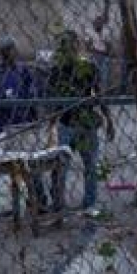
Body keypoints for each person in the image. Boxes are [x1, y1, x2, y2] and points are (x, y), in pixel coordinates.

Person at [47, 30, 115, 217]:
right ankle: (59, 204)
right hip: (67, 123)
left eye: (71, 44)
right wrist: (51, 125)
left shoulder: (89, 67)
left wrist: (109, 120)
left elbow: (99, 94)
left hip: (85, 124)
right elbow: (52, 100)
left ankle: (89, 204)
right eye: (64, 45)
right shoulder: (56, 70)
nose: (68, 48)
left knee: (89, 166)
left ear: (77, 45)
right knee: (61, 167)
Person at [0, 36, 40, 138]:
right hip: (4, 126)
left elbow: (32, 95)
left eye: (14, 48)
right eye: (10, 49)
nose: (15, 51)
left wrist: (34, 117)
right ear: (4, 52)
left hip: (25, 123)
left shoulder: (24, 72)